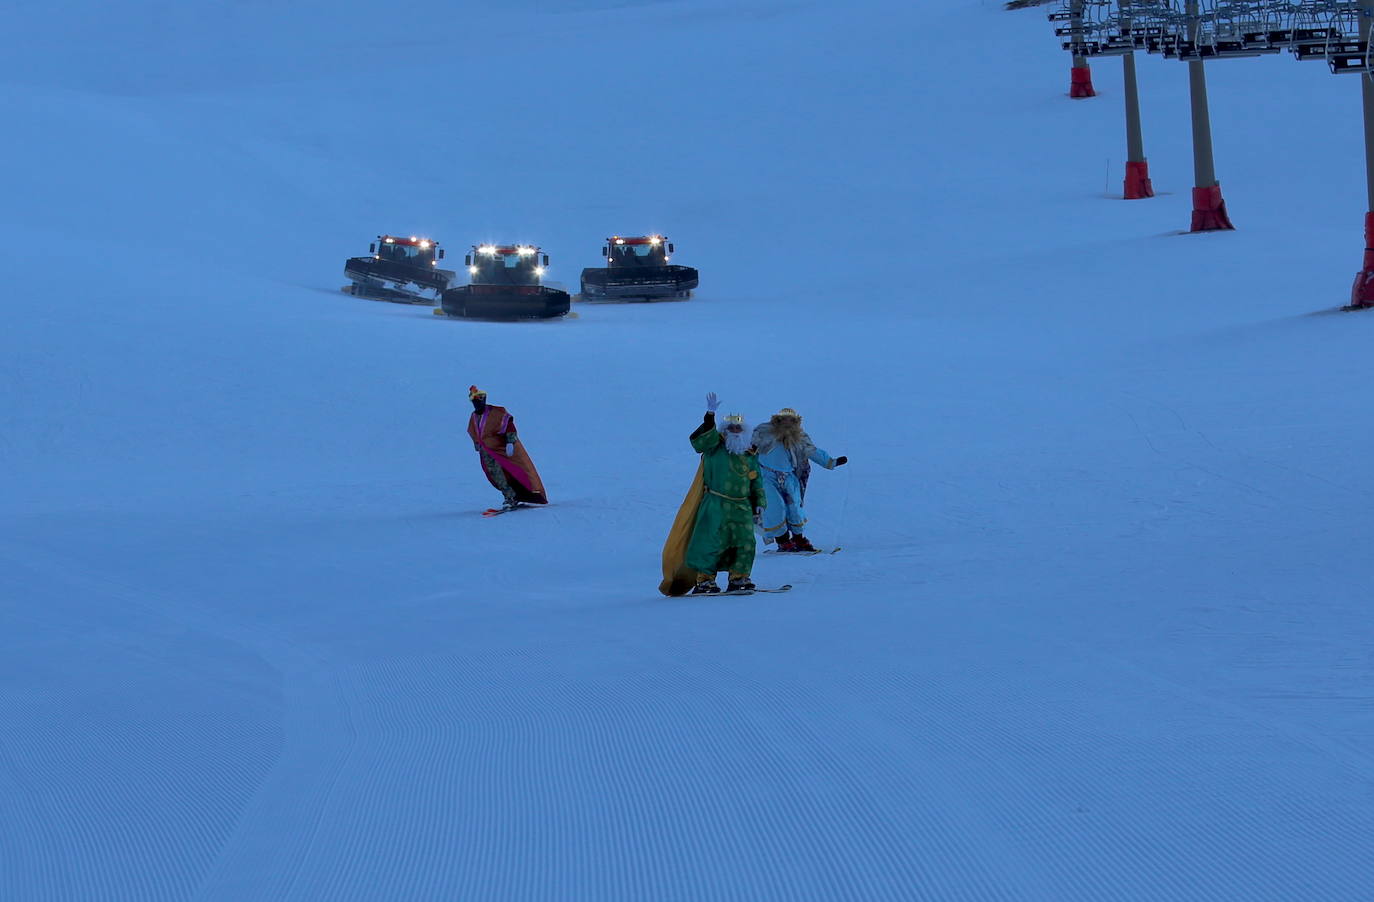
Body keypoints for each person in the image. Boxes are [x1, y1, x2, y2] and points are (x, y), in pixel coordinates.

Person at [659, 393, 766, 595]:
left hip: (741, 507)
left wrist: (759, 502)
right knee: (709, 541)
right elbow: (701, 441)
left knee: (744, 542)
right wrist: (710, 416)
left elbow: (756, 480)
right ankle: (705, 580)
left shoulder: (749, 454)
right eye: (731, 428)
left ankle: (739, 577)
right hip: (715, 503)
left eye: (739, 428)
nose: (735, 431)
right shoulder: (715, 447)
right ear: (724, 431)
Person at [751, 407, 847, 552]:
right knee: (776, 507)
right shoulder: (764, 432)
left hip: (789, 477)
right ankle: (783, 541)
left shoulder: (799, 437)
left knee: (794, 508)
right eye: (784, 419)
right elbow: (748, 446)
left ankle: (798, 538)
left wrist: (830, 462)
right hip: (767, 477)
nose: (787, 422)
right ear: (777, 420)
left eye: (791, 420)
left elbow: (812, 451)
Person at [467, 386, 548, 510]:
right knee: (495, 475)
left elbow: (508, 425)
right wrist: (477, 444)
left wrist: (510, 442)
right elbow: (473, 431)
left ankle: (514, 496)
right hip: (487, 452)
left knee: (513, 471)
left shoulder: (496, 412)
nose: (479, 403)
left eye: (481, 399)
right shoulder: (474, 417)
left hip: (501, 450)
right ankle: (510, 496)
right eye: (476, 401)